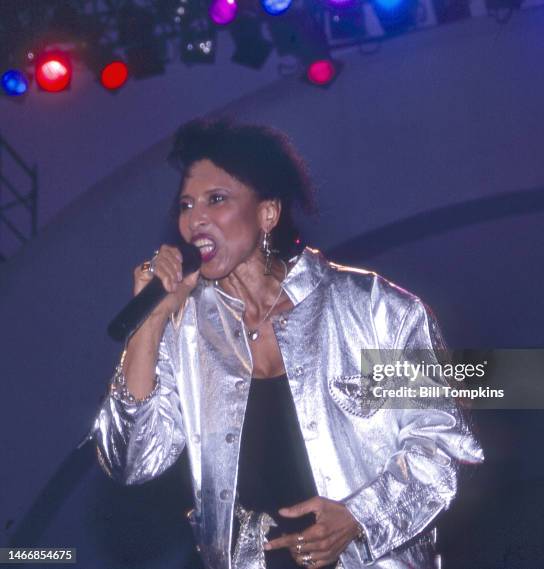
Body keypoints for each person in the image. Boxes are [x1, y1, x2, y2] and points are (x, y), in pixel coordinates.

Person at [94, 118, 484, 569]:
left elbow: (446, 446)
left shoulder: (373, 309)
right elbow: (131, 461)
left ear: (267, 213)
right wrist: (152, 320)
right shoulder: (185, 329)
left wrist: (359, 517)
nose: (195, 219)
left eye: (216, 199)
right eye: (186, 204)